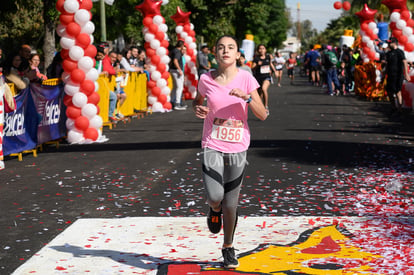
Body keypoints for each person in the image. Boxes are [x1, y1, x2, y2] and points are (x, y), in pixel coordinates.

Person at [192, 35, 267, 269]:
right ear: (215, 53)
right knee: (216, 196)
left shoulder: (246, 78)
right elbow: (197, 101)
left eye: (231, 47)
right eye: (221, 47)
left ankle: (228, 247)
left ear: (237, 54)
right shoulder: (205, 79)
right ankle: (213, 209)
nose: (225, 51)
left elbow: (263, 114)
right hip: (212, 142)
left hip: (238, 145)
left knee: (231, 202)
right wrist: (199, 108)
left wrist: (246, 98)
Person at [383, 37, 410, 115]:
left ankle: (400, 109)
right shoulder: (388, 53)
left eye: (389, 43)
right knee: (389, 91)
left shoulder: (399, 52)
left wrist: (406, 74)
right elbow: (387, 64)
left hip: (398, 75)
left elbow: (405, 62)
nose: (388, 44)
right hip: (390, 75)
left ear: (394, 43)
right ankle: (393, 107)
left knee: (398, 91)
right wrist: (384, 73)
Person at [251, 44, 276, 114]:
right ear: (258, 50)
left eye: (263, 48)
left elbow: (270, 64)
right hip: (258, 78)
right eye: (260, 49)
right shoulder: (256, 59)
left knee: (264, 89)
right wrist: (257, 65)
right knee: (259, 95)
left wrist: (275, 71)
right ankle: (260, 107)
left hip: (267, 76)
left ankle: (266, 107)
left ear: (265, 50)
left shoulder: (268, 57)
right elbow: (252, 68)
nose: (261, 50)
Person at [169, 40, 186, 110]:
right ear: (182, 46)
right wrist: (179, 69)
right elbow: (175, 60)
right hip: (176, 71)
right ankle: (177, 103)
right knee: (179, 87)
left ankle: (172, 101)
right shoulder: (177, 52)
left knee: (175, 87)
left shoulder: (173, 51)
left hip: (172, 70)